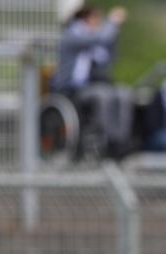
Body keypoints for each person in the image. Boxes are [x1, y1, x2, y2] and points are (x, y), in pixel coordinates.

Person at [51, 4, 133, 156]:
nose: (98, 23)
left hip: (94, 85)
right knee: (102, 96)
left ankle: (120, 140)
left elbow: (110, 56)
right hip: (71, 89)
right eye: (96, 19)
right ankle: (106, 140)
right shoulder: (72, 35)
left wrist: (114, 35)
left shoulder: (94, 40)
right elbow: (100, 38)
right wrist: (113, 22)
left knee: (123, 93)